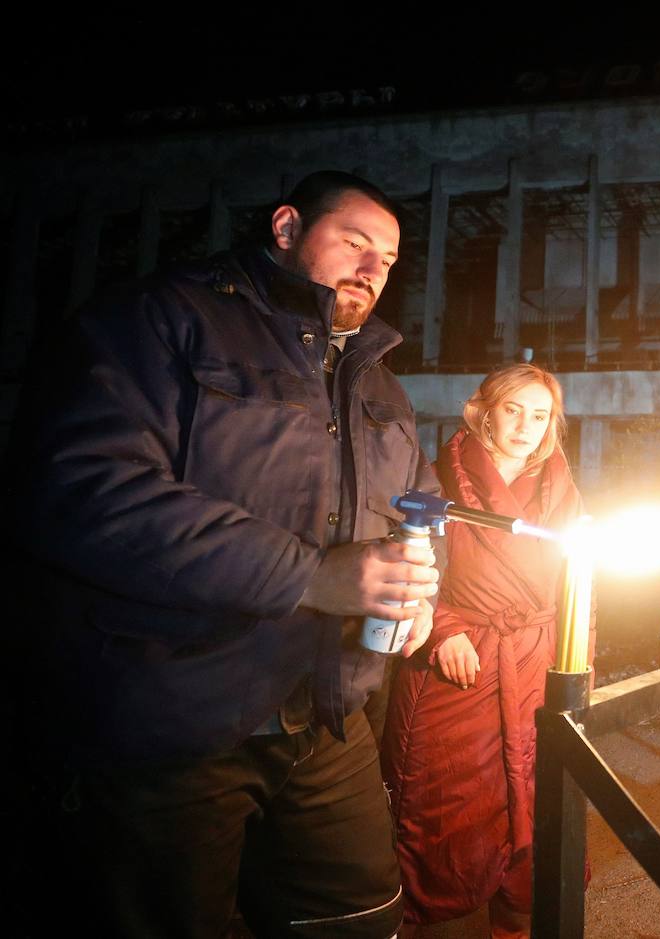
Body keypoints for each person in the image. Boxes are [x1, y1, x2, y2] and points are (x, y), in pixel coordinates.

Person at [15, 171, 438, 938]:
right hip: (173, 716)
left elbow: (419, 499)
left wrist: (421, 582)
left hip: (328, 713)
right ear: (284, 227)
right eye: (355, 241)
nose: (374, 268)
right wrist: (313, 574)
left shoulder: (375, 379)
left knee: (358, 920)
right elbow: (83, 488)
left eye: (389, 258)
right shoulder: (162, 317)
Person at [381, 364, 584, 936]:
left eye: (539, 415)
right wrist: (443, 630)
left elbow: (580, 582)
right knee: (449, 805)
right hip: (458, 664)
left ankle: (518, 923)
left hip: (539, 660)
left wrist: (578, 661)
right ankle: (443, 920)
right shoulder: (435, 475)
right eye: (514, 409)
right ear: (484, 409)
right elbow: (408, 556)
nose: (526, 426)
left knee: (537, 798)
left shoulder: (561, 485)